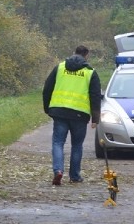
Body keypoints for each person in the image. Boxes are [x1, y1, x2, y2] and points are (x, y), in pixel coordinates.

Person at [42, 45, 101, 185]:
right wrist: (95, 118)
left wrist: (47, 108)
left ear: (73, 53)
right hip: (80, 115)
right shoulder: (90, 72)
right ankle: (74, 176)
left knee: (58, 143)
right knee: (77, 145)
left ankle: (58, 171)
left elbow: (47, 88)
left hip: (60, 112)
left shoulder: (60, 67)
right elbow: (95, 96)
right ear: (86, 56)